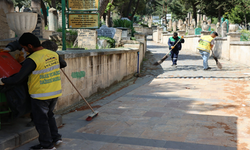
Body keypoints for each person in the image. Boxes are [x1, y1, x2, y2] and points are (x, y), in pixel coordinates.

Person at [0, 33, 67, 150]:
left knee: (41, 120)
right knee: (49, 116)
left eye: (24, 47)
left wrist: (2, 81)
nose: (24, 50)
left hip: (40, 94)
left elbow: (17, 78)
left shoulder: (32, 59)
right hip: (55, 91)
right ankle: (56, 138)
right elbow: (62, 64)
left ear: (30, 45)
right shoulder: (53, 54)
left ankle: (47, 145)